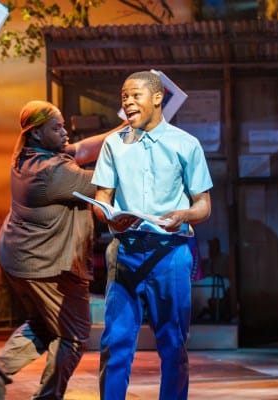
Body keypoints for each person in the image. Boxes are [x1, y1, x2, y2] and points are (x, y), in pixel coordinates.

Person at [0, 100, 123, 400]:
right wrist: (138, 147)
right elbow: (107, 181)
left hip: (21, 258)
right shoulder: (51, 171)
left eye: (63, 125)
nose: (65, 132)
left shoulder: (29, 155)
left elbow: (83, 150)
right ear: (36, 133)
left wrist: (125, 129)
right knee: (74, 335)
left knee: (45, 324)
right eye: (56, 128)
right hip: (47, 264)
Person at [91, 71, 213, 400]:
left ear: (157, 98)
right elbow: (102, 197)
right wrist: (108, 215)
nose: (128, 102)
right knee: (115, 342)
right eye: (124, 97)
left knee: (173, 343)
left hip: (169, 252)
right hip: (125, 249)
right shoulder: (113, 144)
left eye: (135, 95)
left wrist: (184, 215)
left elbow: (203, 205)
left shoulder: (186, 144)